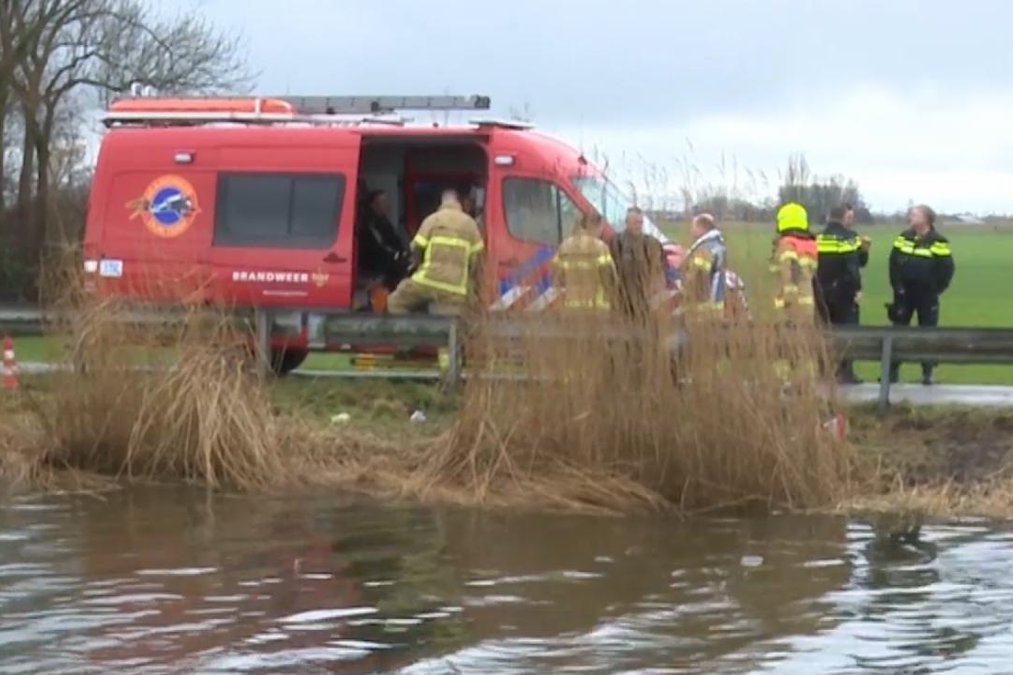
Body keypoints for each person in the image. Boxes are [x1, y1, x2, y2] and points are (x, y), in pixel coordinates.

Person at [387, 189, 484, 316]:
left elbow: (417, 248)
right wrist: (470, 284)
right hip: (455, 287)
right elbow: (478, 258)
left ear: (441, 203)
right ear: (460, 203)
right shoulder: (470, 224)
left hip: (428, 280)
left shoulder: (432, 220)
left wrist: (416, 267)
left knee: (395, 302)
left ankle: (410, 332)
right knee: (448, 321)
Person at [887, 204, 955, 385]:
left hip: (926, 295)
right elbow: (893, 263)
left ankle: (928, 373)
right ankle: (891, 373)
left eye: (915, 214)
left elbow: (947, 269)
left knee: (927, 333)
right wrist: (897, 286)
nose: (911, 216)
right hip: (904, 294)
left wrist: (935, 288)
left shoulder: (938, 241)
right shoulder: (903, 237)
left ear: (926, 219)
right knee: (898, 331)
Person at [816, 203, 870, 383]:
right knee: (847, 332)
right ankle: (846, 373)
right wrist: (857, 289)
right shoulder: (849, 238)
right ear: (844, 217)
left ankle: (825, 372)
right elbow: (853, 267)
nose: (852, 221)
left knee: (824, 331)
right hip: (844, 293)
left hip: (821, 292)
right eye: (850, 217)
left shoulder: (818, 238)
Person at [609, 206, 666, 321]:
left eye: (640, 222)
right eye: (635, 222)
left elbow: (660, 270)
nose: (638, 225)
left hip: (646, 299)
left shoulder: (652, 244)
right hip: (623, 299)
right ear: (626, 222)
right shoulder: (616, 242)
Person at [554, 212, 616, 312]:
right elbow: (610, 277)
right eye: (601, 227)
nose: (601, 231)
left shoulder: (565, 246)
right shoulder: (601, 247)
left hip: (572, 306)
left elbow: (557, 275)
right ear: (596, 226)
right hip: (596, 306)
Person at [771, 202, 819, 323]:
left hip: (789, 312)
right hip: (808, 308)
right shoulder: (811, 245)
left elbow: (790, 276)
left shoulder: (787, 244)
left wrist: (789, 308)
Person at [357, 190, 408, 290]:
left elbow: (393, 240)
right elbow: (379, 246)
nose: (387, 205)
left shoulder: (383, 221)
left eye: (387, 202)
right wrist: (396, 256)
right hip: (374, 266)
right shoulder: (369, 223)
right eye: (383, 202)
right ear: (373, 205)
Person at [680, 213, 728, 318]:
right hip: (717, 302)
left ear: (702, 228)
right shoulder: (718, 245)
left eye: (693, 226)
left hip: (702, 306)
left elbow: (698, 277)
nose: (691, 230)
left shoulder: (705, 249)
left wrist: (683, 288)